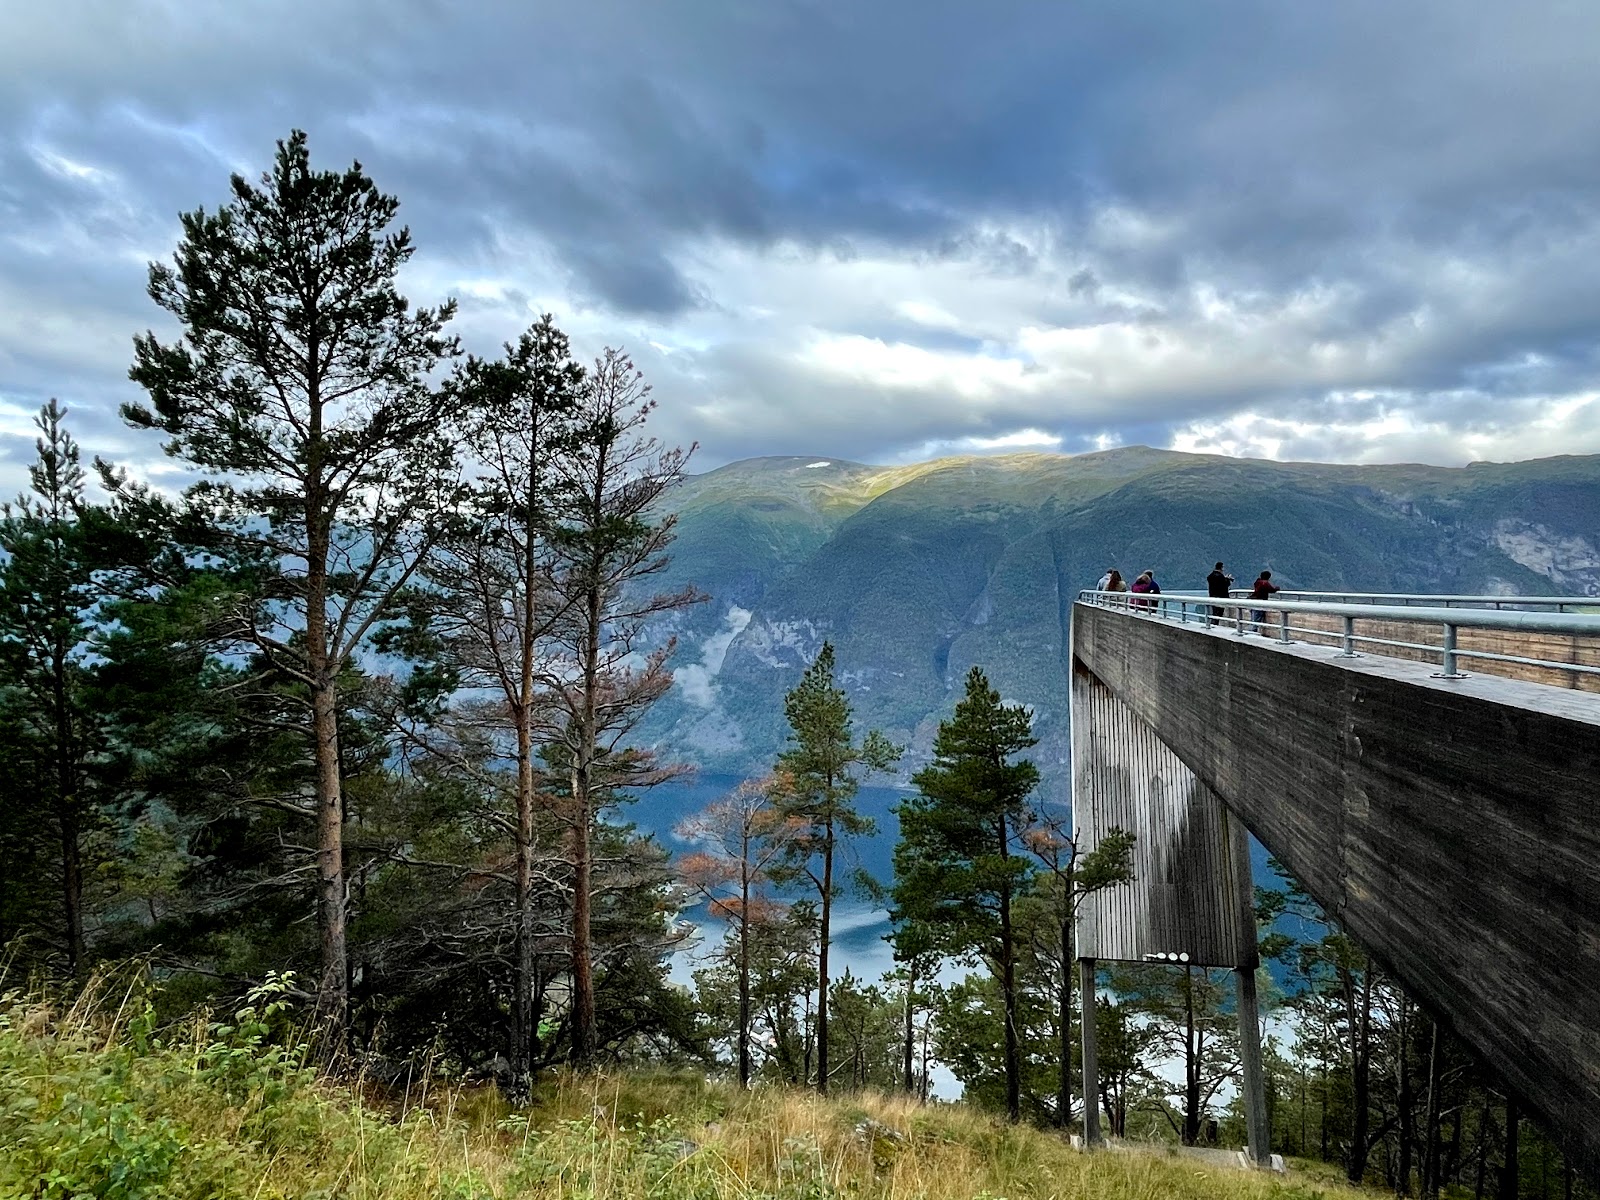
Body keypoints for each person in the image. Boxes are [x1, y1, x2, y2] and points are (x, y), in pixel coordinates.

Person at [1250, 569, 1280, 634]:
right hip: (1260, 601)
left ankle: (1252, 629)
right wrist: (1276, 588)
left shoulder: (1257, 582)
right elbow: (1271, 590)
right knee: (1257, 615)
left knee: (1253, 615)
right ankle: (1253, 630)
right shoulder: (1265, 583)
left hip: (1254, 600)